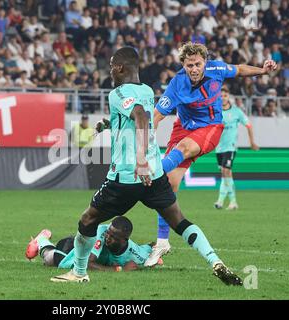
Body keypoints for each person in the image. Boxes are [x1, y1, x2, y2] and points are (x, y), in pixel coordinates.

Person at [50, 46, 242, 285]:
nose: (110, 70)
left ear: (120, 68)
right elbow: (138, 118)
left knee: (87, 220)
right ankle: (215, 261)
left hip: (127, 178)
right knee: (180, 222)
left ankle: (78, 273)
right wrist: (110, 125)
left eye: (111, 66)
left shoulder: (117, 93)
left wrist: (140, 161)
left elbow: (140, 117)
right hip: (155, 174)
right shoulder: (147, 91)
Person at [145, 42, 277, 267]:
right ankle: (162, 242)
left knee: (180, 151)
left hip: (210, 128)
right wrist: (147, 143)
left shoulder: (217, 69)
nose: (194, 69)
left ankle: (147, 173)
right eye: (189, 65)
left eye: (197, 64)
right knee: (169, 185)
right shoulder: (176, 84)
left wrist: (262, 70)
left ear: (205, 62)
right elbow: (157, 116)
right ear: (183, 65)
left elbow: (240, 69)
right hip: (184, 127)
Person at [26, 216, 162, 271]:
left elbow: (148, 248)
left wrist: (155, 254)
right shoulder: (101, 231)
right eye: (109, 232)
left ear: (124, 240)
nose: (107, 237)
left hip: (82, 244)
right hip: (71, 249)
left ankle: (43, 241)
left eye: (113, 236)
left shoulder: (136, 254)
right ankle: (42, 240)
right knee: (51, 259)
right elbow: (88, 263)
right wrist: (117, 270)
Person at [214, 85, 259, 210]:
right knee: (225, 173)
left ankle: (225, 201)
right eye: (221, 96)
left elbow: (248, 125)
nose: (223, 98)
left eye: (225, 96)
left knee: (226, 171)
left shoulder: (236, 111)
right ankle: (227, 201)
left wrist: (252, 142)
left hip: (231, 147)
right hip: (219, 148)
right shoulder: (216, 111)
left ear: (229, 97)